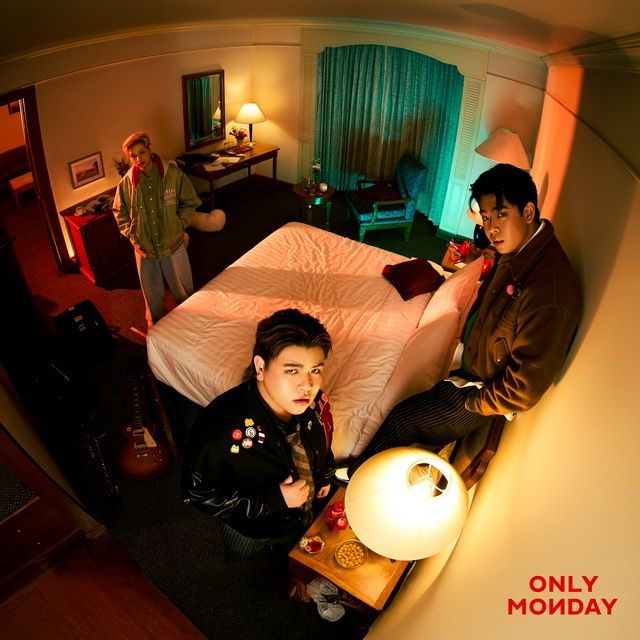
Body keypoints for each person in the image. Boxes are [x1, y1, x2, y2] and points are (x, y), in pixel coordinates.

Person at [343, 163, 582, 479]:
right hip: (470, 365)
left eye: (500, 214)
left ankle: (357, 477)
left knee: (402, 419)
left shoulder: (547, 293)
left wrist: (472, 402)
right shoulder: (519, 250)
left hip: (480, 390)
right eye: (486, 217)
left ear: (528, 211)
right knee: (411, 416)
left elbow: (524, 389)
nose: (491, 229)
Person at [181, 308, 336, 554]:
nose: (307, 386)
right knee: (244, 555)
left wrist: (324, 474)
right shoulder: (220, 430)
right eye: (292, 370)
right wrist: (272, 501)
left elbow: (323, 439)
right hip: (260, 526)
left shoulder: (315, 402)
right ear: (260, 367)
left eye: (315, 370)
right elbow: (197, 492)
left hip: (307, 509)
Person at [113, 131, 226, 328]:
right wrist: (131, 234)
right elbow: (118, 211)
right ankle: (157, 329)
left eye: (142, 152)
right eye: (133, 156)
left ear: (149, 150)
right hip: (144, 250)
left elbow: (189, 201)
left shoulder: (173, 175)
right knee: (151, 296)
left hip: (173, 245)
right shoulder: (126, 184)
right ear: (129, 159)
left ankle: (193, 323)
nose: (139, 159)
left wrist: (180, 224)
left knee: (184, 291)